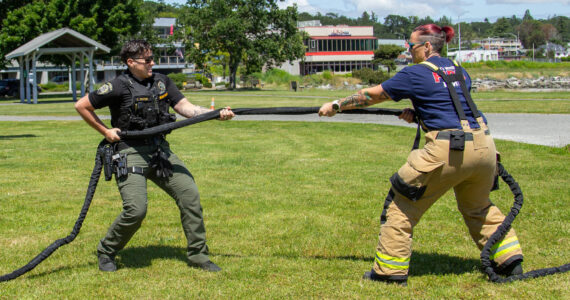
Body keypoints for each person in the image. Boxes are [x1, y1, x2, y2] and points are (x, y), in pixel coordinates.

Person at [318, 24, 523, 285]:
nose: (409, 51)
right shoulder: (458, 69)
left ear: (427, 46)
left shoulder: (415, 73)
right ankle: (510, 261)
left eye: (412, 46)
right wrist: (420, 115)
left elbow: (372, 95)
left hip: (449, 149)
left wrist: (336, 106)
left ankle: (389, 273)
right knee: (478, 207)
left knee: (401, 206)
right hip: (485, 147)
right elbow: (451, 104)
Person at [75, 39, 234, 272]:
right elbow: (82, 105)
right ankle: (106, 250)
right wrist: (106, 131)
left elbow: (185, 108)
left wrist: (214, 114)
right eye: (147, 60)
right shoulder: (118, 86)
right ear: (130, 62)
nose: (152, 63)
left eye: (152, 58)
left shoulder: (162, 82)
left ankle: (199, 256)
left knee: (190, 196)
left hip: (160, 151)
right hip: (130, 152)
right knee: (136, 210)